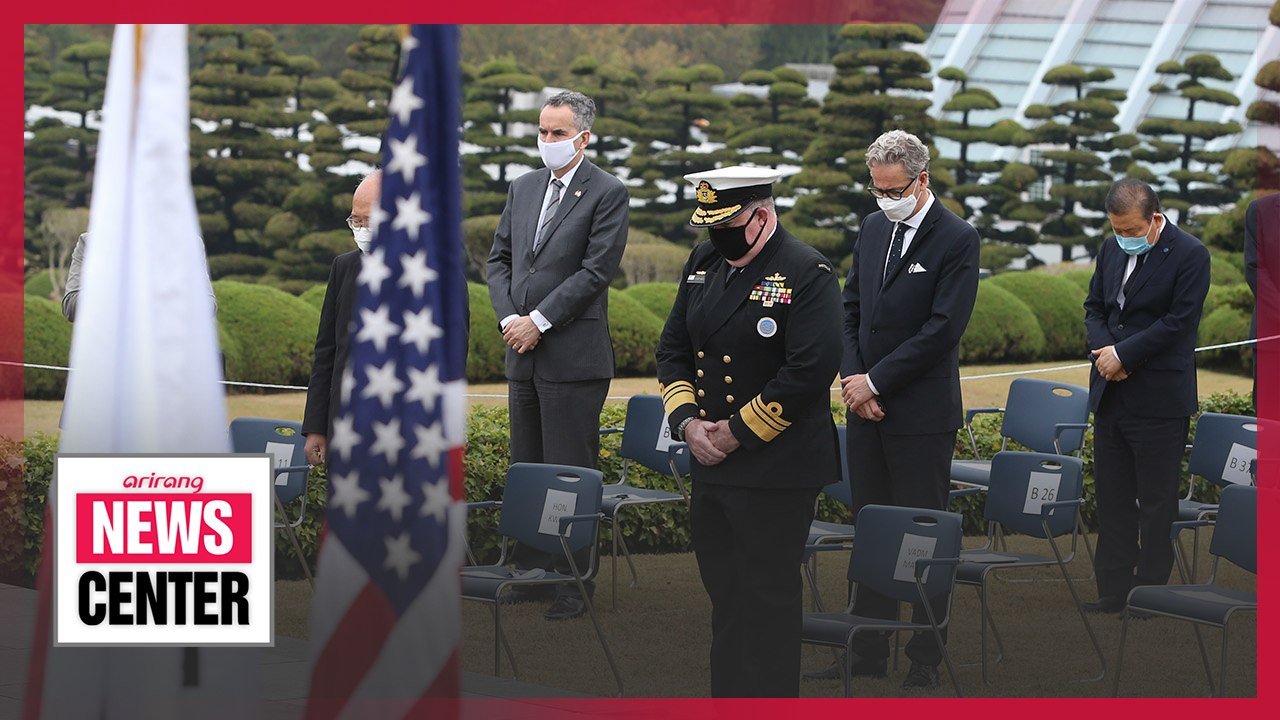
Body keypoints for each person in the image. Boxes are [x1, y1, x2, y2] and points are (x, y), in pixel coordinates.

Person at [656, 165, 843, 697]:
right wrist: (688, 423)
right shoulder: (705, 261)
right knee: (726, 597)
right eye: (710, 226)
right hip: (710, 461)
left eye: (728, 225)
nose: (718, 237)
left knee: (767, 599)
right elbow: (673, 350)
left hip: (775, 466)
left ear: (761, 217)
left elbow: (809, 370)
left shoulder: (808, 272)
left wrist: (736, 432)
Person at [834, 129, 980, 690]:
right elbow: (850, 309)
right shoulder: (874, 227)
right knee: (870, 528)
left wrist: (877, 381)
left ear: (921, 180)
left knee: (923, 534)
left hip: (919, 414)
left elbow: (942, 329)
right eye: (876, 189)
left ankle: (924, 654)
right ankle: (865, 649)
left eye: (892, 190)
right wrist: (853, 379)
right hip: (863, 407)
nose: (883, 198)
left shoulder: (957, 238)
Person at [485, 90, 629, 621]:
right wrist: (509, 319)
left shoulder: (608, 192)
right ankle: (533, 570)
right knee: (528, 467)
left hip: (573, 357)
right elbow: (499, 260)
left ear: (583, 137)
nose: (547, 141)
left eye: (557, 133)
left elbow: (596, 271)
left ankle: (573, 581)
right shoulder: (522, 188)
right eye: (542, 131)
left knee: (569, 473)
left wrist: (538, 321)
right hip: (521, 353)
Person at [1083, 178, 1210, 614]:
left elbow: (1179, 322)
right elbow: (1095, 307)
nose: (1125, 239)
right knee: (1113, 497)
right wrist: (1105, 353)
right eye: (1118, 230)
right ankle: (1112, 590)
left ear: (1156, 218)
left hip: (1159, 397)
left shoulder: (1191, 254)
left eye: (1133, 231)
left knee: (1156, 502)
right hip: (1110, 393)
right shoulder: (1110, 247)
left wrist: (1124, 355)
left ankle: (1149, 593)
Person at [302, 170, 468, 464]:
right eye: (356, 220)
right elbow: (326, 354)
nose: (362, 229)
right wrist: (315, 427)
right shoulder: (344, 267)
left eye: (371, 220)